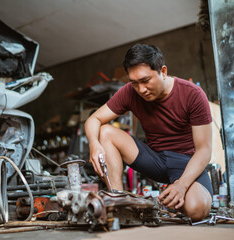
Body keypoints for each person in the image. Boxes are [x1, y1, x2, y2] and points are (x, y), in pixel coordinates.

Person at [84, 43, 213, 221]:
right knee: (105, 132)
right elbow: (94, 119)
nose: (141, 89)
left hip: (186, 163)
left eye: (146, 81)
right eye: (134, 83)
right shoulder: (130, 92)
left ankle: (177, 202)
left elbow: (204, 150)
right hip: (155, 160)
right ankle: (118, 202)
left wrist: (182, 185)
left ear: (163, 71)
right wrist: (94, 144)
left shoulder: (193, 95)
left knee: (197, 210)